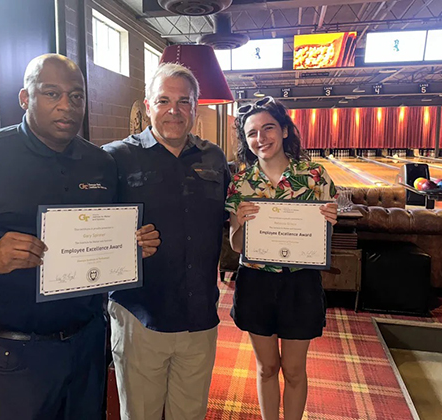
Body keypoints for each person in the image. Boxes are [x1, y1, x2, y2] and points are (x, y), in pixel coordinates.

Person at [0, 54, 160, 420]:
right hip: (12, 355)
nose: (66, 106)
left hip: (87, 344)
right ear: (25, 98)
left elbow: (109, 236)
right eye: (51, 93)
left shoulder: (101, 164)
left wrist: (133, 244)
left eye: (76, 96)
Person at [102, 63, 230, 420]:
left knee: (189, 414)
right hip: (140, 314)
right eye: (163, 101)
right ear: (147, 106)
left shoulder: (214, 158)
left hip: (199, 316)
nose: (174, 110)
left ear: (196, 107)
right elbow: (92, 229)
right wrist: (122, 240)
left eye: (183, 102)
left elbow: (231, 221)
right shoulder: (115, 158)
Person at [225, 96, 338, 420]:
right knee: (266, 368)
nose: (261, 138)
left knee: (293, 369)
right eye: (252, 133)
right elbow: (236, 245)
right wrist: (243, 224)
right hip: (256, 282)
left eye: (268, 128)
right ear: (246, 141)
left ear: (285, 130)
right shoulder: (242, 183)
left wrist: (328, 223)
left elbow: (322, 240)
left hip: (299, 282)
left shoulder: (315, 176)